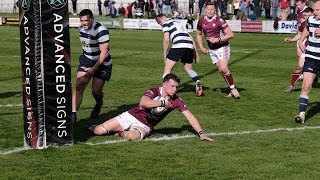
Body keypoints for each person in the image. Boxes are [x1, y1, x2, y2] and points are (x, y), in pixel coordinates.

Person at [90, 73, 214, 141]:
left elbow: (190, 117)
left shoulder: (177, 100)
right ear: (164, 85)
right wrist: (162, 103)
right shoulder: (154, 91)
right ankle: (102, 127)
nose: (175, 89)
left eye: (176, 87)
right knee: (98, 131)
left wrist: (201, 133)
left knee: (133, 137)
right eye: (172, 86)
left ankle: (121, 132)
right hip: (130, 115)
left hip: (145, 125)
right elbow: (143, 103)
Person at [72, 9, 113, 121]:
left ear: (92, 19)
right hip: (87, 59)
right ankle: (73, 115)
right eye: (81, 21)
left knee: (96, 91)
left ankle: (99, 103)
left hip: (102, 62)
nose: (84, 23)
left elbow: (104, 53)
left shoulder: (101, 30)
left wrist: (92, 70)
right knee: (80, 84)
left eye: (86, 20)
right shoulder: (80, 28)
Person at [196, 2, 240, 99]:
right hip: (212, 50)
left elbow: (231, 34)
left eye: (212, 9)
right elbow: (198, 34)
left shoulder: (219, 20)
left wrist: (218, 39)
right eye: (208, 9)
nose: (210, 11)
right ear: (205, 10)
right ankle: (231, 88)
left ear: (215, 10)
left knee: (224, 68)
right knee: (221, 70)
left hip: (222, 47)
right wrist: (201, 47)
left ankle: (233, 89)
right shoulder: (201, 21)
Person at [155, 14, 203, 97]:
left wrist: (165, 53)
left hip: (179, 45)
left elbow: (166, 40)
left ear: (164, 17)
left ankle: (164, 92)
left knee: (167, 69)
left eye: (159, 22)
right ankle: (197, 81)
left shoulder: (166, 23)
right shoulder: (178, 22)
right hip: (189, 46)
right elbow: (190, 37)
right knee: (188, 69)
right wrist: (195, 53)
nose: (160, 24)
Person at [295, 1, 320, 123]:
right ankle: (302, 114)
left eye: (318, 10)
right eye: (314, 10)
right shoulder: (311, 20)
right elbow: (306, 28)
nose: (315, 12)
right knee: (306, 86)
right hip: (312, 58)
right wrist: (301, 40)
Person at [283, 0, 308, 93]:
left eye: (307, 16)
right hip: (307, 48)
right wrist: (292, 40)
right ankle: (291, 86)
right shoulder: (304, 25)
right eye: (304, 16)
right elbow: (300, 34)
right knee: (299, 66)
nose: (304, 18)